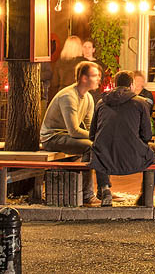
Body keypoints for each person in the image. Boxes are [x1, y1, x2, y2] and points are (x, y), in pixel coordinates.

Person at [89, 70, 155, 206]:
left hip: (105, 159)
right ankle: (145, 196)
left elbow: (92, 134)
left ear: (114, 84)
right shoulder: (141, 103)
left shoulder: (101, 103)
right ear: (131, 85)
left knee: (98, 148)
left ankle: (105, 189)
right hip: (133, 157)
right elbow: (147, 136)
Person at [41, 60, 103, 205]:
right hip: (52, 137)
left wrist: (99, 137)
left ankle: (103, 190)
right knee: (91, 146)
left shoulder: (88, 97)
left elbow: (88, 127)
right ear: (84, 78)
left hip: (66, 136)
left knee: (99, 145)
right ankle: (87, 194)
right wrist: (97, 138)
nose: (98, 79)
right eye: (95, 75)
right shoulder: (68, 96)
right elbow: (74, 130)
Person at [48, 35, 87, 100]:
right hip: (78, 94)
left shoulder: (60, 61)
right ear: (79, 47)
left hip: (62, 93)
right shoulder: (83, 62)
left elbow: (54, 83)